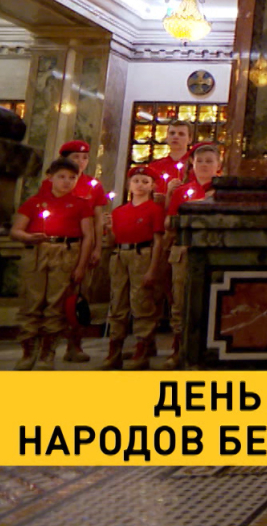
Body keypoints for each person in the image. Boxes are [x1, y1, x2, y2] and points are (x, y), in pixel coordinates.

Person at [8, 158, 95, 369]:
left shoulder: (81, 204)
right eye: (61, 177)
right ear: (50, 178)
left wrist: (81, 266)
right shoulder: (35, 202)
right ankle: (28, 350)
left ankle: (48, 351)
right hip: (38, 252)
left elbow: (88, 236)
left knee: (56, 302)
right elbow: (16, 230)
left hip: (66, 253)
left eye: (72, 178)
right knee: (32, 300)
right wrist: (28, 237)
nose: (66, 182)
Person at [147, 142, 221, 369]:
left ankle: (207, 350)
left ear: (218, 165)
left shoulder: (223, 192)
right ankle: (178, 349)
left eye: (209, 161)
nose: (204, 165)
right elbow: (169, 223)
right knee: (180, 300)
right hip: (184, 250)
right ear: (192, 164)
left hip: (212, 250)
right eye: (200, 161)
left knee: (211, 299)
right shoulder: (182, 192)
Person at [52, 139, 109, 361]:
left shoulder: (93, 185)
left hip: (83, 246)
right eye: (76, 157)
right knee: (53, 297)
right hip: (57, 246)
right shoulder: (54, 182)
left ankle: (74, 345)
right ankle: (46, 345)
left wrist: (97, 247)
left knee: (79, 296)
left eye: (85, 158)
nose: (81, 161)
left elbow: (98, 219)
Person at [103, 166, 165, 370]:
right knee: (117, 302)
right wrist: (108, 229)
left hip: (142, 255)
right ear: (129, 185)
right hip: (120, 256)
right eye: (136, 181)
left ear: (152, 186)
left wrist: (153, 269)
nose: (140, 185)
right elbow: (112, 241)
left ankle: (142, 349)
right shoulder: (119, 211)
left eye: (145, 182)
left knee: (142, 302)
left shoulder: (154, 210)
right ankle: (114, 351)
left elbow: (158, 241)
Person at [147, 119, 194, 203]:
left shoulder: (195, 165)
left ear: (190, 139)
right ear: (167, 137)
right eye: (172, 133)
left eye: (181, 134)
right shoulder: (155, 166)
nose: (176, 137)